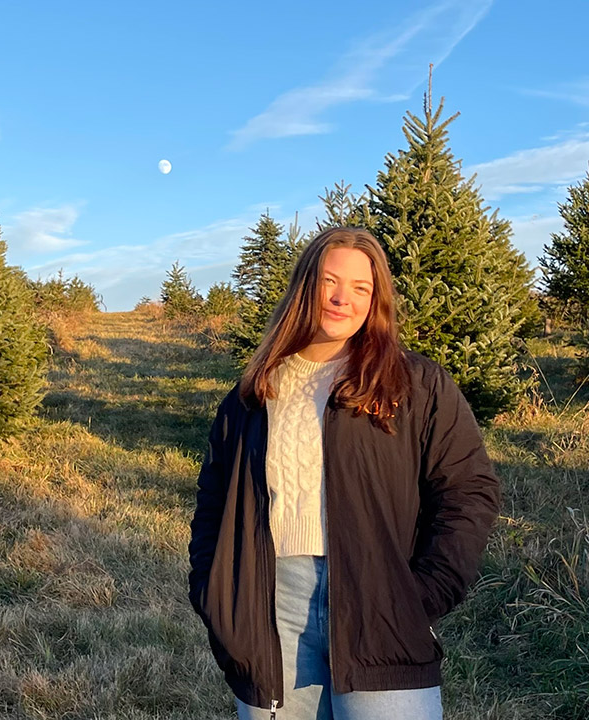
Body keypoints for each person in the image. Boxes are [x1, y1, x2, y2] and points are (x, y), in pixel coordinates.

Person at [188, 227, 500, 720]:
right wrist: (217, 596)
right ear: (304, 286)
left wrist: (424, 592)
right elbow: (212, 503)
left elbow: (468, 490)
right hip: (273, 609)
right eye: (330, 281)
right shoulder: (254, 393)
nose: (341, 298)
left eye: (361, 288)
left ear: (376, 299)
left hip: (381, 604)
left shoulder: (415, 383)